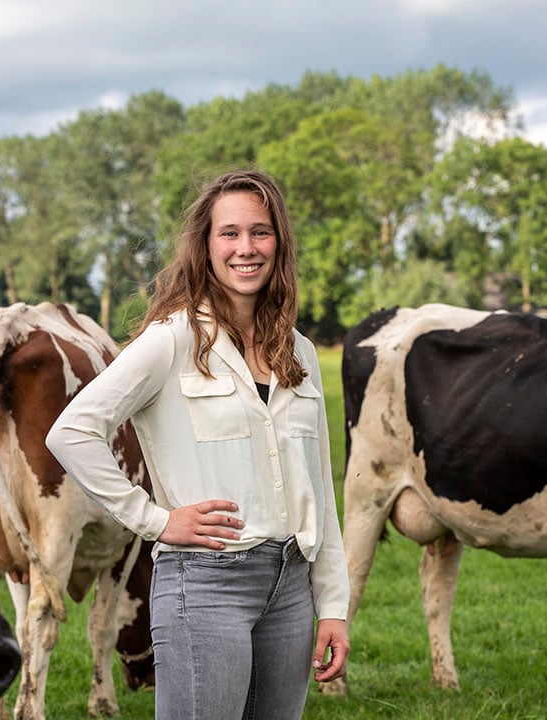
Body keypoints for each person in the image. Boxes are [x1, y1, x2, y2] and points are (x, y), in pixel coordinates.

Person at [46, 169, 349, 719]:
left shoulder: (300, 352)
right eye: (229, 234)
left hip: (291, 590)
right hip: (206, 586)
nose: (246, 248)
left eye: (261, 232)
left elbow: (320, 490)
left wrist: (333, 607)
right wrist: (157, 521)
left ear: (279, 242)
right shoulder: (173, 339)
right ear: (205, 246)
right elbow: (72, 430)